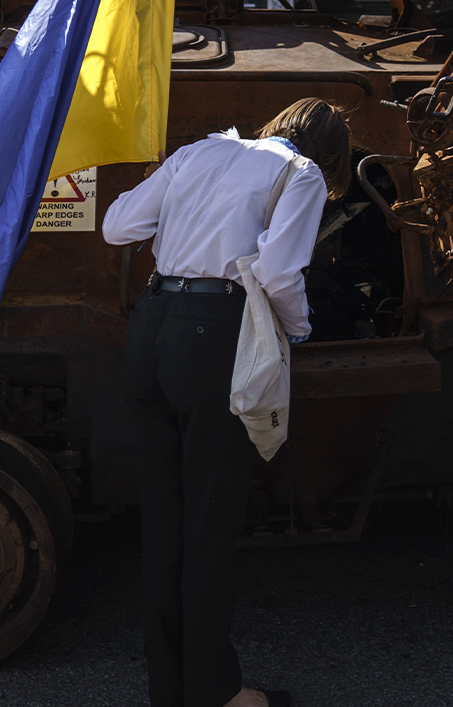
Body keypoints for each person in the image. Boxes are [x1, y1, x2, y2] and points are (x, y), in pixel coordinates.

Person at [102, 98, 352, 707]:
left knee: (165, 522)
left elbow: (117, 228)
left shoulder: (199, 151)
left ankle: (172, 688)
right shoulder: (303, 174)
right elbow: (280, 274)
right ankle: (216, 694)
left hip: (151, 327)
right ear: (334, 154)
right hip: (212, 338)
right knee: (209, 524)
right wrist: (297, 331)